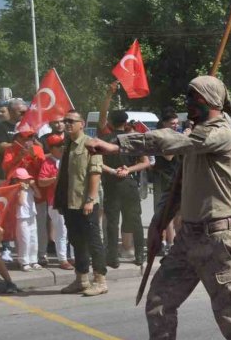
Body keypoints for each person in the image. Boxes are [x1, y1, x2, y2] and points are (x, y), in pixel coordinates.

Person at [85, 76, 231, 340]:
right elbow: (179, 187)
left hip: (218, 238)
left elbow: (173, 140)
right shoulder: (195, 138)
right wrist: (158, 223)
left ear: (210, 100)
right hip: (188, 237)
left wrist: (117, 146)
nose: (188, 104)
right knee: (158, 302)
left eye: (193, 98)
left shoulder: (219, 133)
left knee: (230, 314)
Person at [54, 110, 108, 296]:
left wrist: (91, 199)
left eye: (71, 121)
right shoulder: (68, 144)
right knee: (77, 242)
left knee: (94, 242)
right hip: (70, 202)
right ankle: (81, 279)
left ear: (82, 124)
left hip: (86, 202)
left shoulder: (90, 144)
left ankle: (100, 280)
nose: (67, 124)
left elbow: (95, 172)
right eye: (65, 121)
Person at [97, 91, 150, 268]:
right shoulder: (133, 139)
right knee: (135, 220)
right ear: (126, 123)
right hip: (129, 184)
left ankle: (112, 257)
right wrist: (128, 169)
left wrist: (108, 95)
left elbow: (97, 162)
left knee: (112, 222)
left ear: (110, 123)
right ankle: (139, 255)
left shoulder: (104, 138)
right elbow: (145, 162)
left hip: (111, 183)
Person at [38, 134, 72, 269]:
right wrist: (54, 179)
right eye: (58, 146)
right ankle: (63, 259)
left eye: (63, 145)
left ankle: (73, 257)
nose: (62, 148)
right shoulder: (48, 162)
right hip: (55, 201)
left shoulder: (67, 159)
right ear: (51, 148)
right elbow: (41, 181)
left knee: (72, 229)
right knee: (61, 230)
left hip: (71, 199)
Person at [152, 111, 182, 255]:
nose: (175, 126)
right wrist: (182, 140)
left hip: (176, 177)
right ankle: (168, 243)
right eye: (172, 123)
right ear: (164, 123)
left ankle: (175, 242)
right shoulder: (159, 135)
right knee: (165, 212)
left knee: (178, 213)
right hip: (163, 178)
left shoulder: (175, 136)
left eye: (177, 123)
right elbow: (168, 156)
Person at [10, 167, 41, 271]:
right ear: (17, 180)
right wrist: (22, 189)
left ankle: (33, 260)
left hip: (32, 216)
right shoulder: (16, 190)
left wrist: (33, 185)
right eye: (23, 179)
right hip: (22, 217)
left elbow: (39, 195)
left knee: (33, 239)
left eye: (26, 179)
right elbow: (20, 202)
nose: (26, 181)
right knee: (24, 239)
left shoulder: (30, 189)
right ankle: (23, 262)